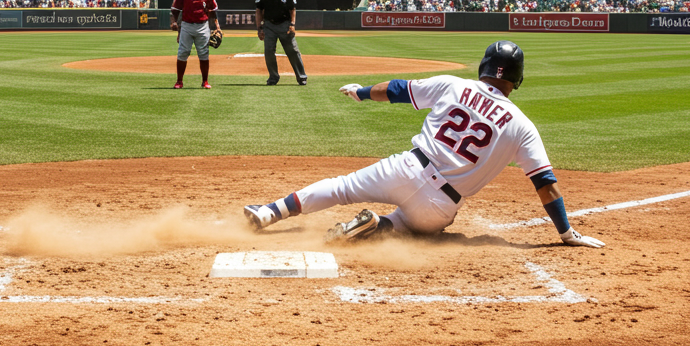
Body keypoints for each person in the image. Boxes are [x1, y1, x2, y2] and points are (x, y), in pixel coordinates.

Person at [243, 41, 605, 248]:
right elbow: (546, 185)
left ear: (484, 65)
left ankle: (269, 212)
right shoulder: (523, 127)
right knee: (409, 225)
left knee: (341, 188)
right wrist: (565, 232)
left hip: (406, 168)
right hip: (441, 206)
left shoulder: (455, 85)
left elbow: (399, 90)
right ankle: (380, 226)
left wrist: (361, 92)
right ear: (517, 78)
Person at [254, 0, 307, 86]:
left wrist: (292, 24)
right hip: (269, 25)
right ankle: (273, 77)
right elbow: (258, 10)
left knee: (293, 51)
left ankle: (301, 77)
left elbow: (292, 9)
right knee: (268, 52)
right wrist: (259, 28)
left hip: (285, 25)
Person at [169, 0, 222, 89]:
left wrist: (217, 27)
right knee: (182, 53)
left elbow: (213, 11)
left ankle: (205, 81)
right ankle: (179, 81)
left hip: (203, 25)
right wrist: (174, 23)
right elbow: (175, 10)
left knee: (204, 53)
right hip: (186, 25)